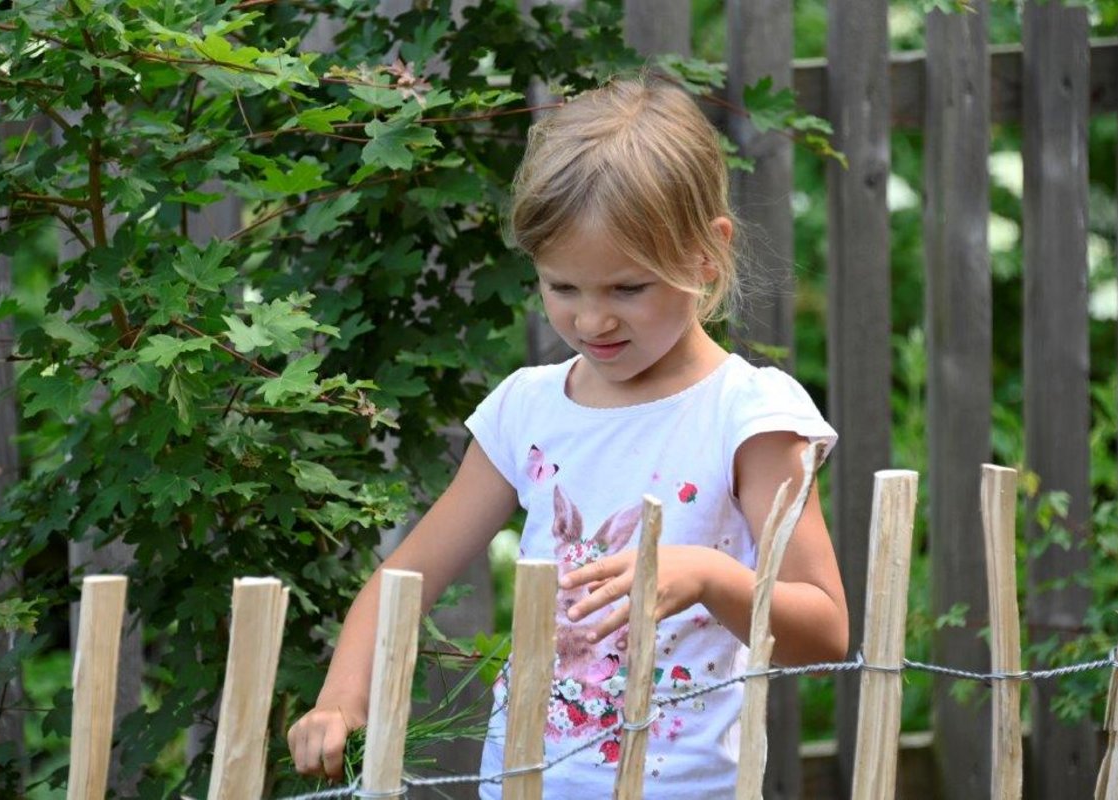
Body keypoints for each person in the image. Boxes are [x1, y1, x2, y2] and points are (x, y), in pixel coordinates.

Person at [288, 77, 848, 796]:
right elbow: (408, 575)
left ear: (707, 254)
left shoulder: (747, 417)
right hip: (525, 781)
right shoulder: (528, 410)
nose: (591, 322)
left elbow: (825, 630)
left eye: (627, 289)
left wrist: (709, 578)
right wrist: (342, 697)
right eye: (563, 288)